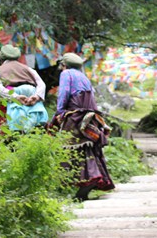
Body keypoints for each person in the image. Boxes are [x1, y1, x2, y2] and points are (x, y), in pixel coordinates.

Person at [48, 52, 115, 200]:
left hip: (75, 115)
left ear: (64, 65)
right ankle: (91, 179)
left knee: (71, 148)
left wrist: (60, 112)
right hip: (89, 116)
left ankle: (85, 180)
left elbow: (64, 93)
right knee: (87, 147)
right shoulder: (83, 76)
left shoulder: (66, 74)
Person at [0, 44, 47, 135]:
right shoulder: (28, 68)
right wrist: (37, 96)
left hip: (11, 95)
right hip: (31, 94)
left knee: (7, 129)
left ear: (1, 58)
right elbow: (41, 84)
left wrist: (15, 97)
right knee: (35, 128)